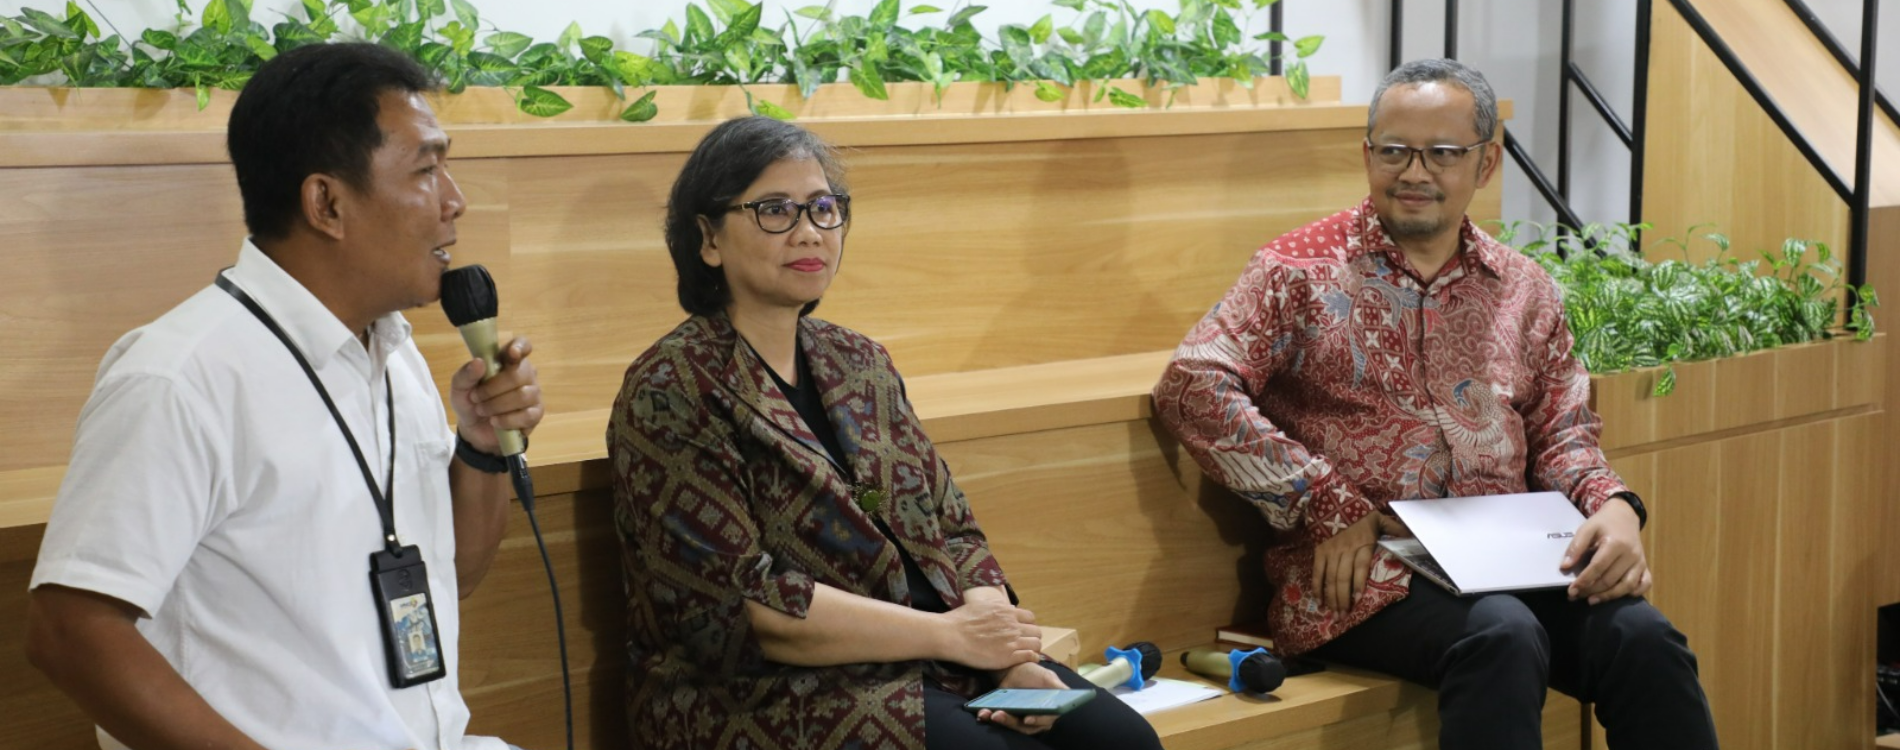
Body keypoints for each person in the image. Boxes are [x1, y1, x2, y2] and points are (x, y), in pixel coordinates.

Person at [1151, 59, 1719, 749]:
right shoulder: (1294, 272)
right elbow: (1193, 385)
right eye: (1395, 151)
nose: (1414, 172)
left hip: (1511, 557)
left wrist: (1616, 507)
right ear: (1368, 155)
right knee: (1503, 634)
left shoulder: (1525, 288)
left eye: (1443, 153)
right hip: (1369, 575)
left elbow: (1564, 432)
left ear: (1486, 163)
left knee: (1645, 639)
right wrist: (1326, 501)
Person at [24, 43, 544, 750]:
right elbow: (67, 629)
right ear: (326, 203)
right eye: (426, 170)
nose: (456, 199)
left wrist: (480, 451)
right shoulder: (178, 377)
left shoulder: (395, 356)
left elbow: (451, 577)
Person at [608, 116, 1164, 750]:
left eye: (824, 208)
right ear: (708, 238)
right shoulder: (673, 387)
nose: (809, 231)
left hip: (931, 657)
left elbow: (952, 527)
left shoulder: (859, 362)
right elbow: (743, 608)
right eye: (774, 210)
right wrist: (953, 637)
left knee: (1121, 740)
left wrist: (1007, 656)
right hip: (763, 692)